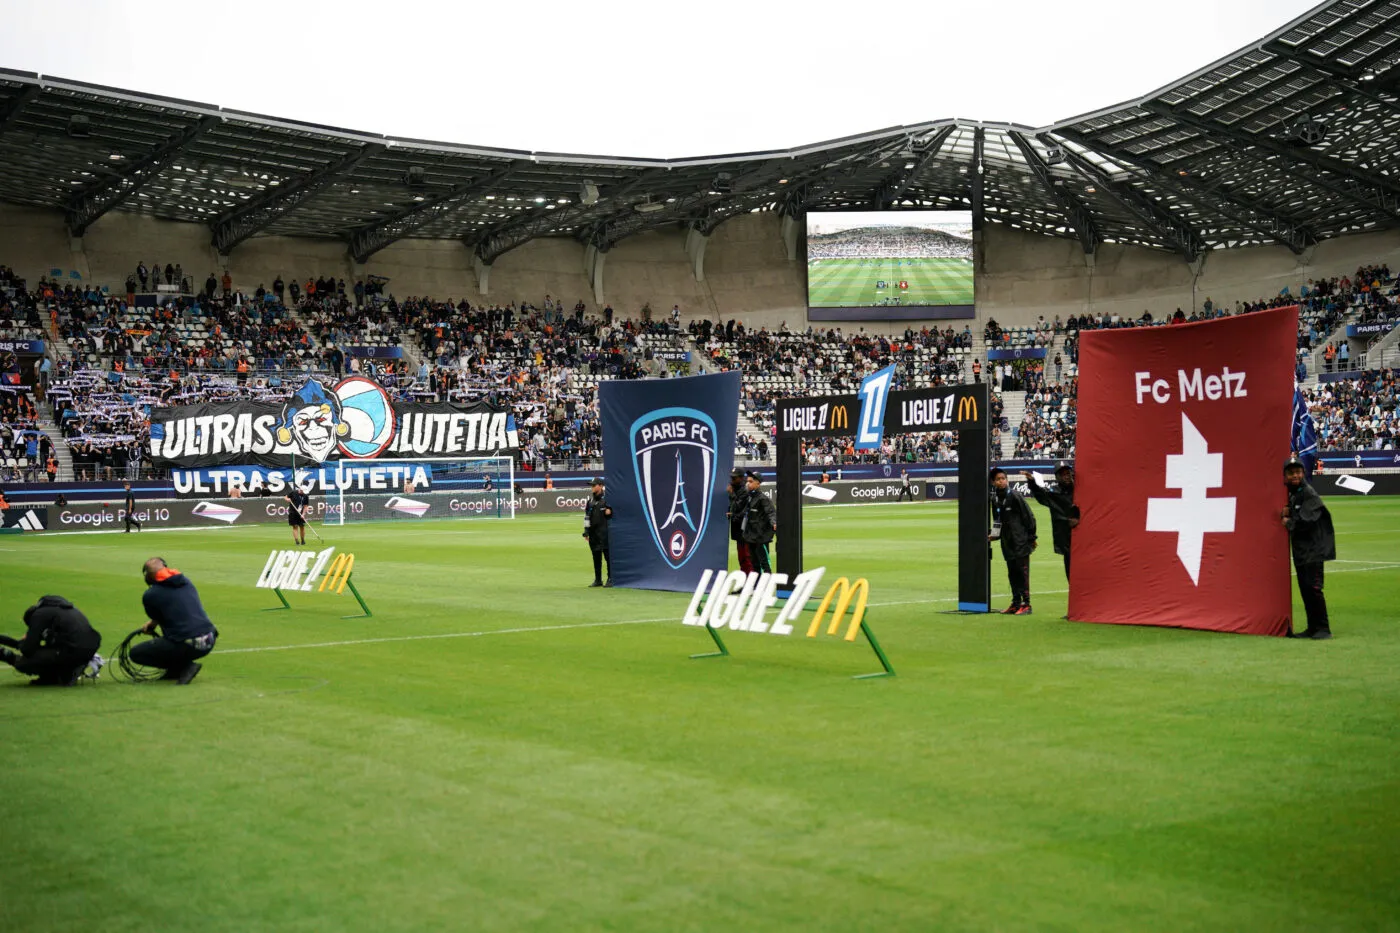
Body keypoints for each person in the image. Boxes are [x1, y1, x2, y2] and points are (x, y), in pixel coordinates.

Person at [133, 558, 217, 684]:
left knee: (136, 653)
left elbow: (157, 618)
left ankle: (184, 667)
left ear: (148, 576)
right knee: (173, 641)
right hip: (210, 639)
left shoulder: (151, 595)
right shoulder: (186, 582)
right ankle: (176, 670)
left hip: (188, 643)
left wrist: (151, 625)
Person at [1282, 458, 1336, 639]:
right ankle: (1312, 628)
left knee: (1313, 588)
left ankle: (1323, 628)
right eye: (1291, 473)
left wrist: (1288, 522)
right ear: (1286, 476)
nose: (1295, 475)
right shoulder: (1293, 493)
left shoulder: (1308, 493)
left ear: (1303, 473)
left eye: (1298, 472)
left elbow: (1306, 521)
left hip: (1313, 551)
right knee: (1305, 589)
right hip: (1302, 551)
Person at [0, 595, 102, 686]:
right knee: (51, 652)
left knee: (24, 662)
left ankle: (59, 674)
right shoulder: (65, 610)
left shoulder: (39, 615)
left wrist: (23, 644)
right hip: (88, 650)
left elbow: (27, 650)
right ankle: (67, 672)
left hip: (72, 650)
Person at [990, 467, 1037, 614]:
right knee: (1012, 572)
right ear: (993, 482)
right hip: (1007, 541)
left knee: (1022, 572)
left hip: (1020, 540)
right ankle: (1016, 603)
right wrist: (995, 535)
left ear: (1007, 480)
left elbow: (1029, 517)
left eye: (1003, 478)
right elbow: (997, 520)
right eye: (998, 479)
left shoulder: (1015, 496)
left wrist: (1032, 537)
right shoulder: (995, 498)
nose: (1001, 481)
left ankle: (1026, 604)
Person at [1025, 462, 1078, 582]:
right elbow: (1040, 496)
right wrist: (1032, 483)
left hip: (1084, 539)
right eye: (1063, 474)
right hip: (1066, 541)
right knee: (1071, 576)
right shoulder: (1054, 493)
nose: (1067, 476)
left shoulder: (1080, 490)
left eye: (1068, 473)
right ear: (1057, 477)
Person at [740, 471, 776, 575]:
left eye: (751, 482)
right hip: (750, 536)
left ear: (758, 484)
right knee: (754, 563)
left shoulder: (763, 499)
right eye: (747, 481)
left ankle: (767, 585)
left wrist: (774, 522)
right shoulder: (749, 497)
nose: (748, 484)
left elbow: (771, 512)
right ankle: (757, 586)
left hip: (761, 537)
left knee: (765, 564)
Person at [583, 477, 612, 587]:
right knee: (596, 557)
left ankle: (610, 578)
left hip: (605, 533)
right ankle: (598, 579)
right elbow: (586, 517)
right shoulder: (590, 501)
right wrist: (586, 531)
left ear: (600, 486)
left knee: (608, 557)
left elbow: (613, 514)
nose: (592, 487)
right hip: (593, 534)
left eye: (594, 485)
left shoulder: (607, 499)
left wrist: (610, 512)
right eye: (591, 485)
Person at [726, 469, 753, 573]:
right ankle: (745, 581)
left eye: (734, 477)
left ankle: (750, 583)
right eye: (731, 476)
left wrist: (731, 494)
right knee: (741, 558)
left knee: (746, 557)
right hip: (737, 529)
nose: (732, 479)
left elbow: (737, 507)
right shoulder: (734, 488)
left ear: (741, 478)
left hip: (744, 530)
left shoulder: (744, 491)